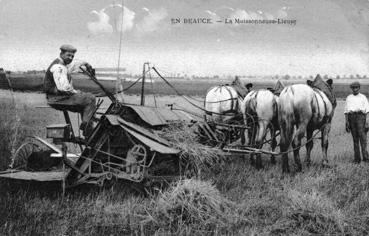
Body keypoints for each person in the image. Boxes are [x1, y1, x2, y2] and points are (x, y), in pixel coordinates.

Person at [44, 44, 96, 136]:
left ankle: (89, 132)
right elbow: (64, 88)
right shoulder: (58, 67)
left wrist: (86, 64)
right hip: (57, 98)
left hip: (59, 97)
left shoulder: (64, 64)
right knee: (90, 98)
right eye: (68, 55)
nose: (70, 58)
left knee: (85, 105)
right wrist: (76, 92)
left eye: (72, 56)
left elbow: (74, 64)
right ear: (61, 53)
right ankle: (87, 127)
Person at [344, 81, 369, 163]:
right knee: (355, 139)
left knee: (363, 139)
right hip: (351, 118)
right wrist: (347, 122)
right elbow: (346, 111)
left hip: (361, 117)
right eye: (353, 88)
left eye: (356, 87)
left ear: (359, 88)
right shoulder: (348, 98)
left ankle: (366, 158)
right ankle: (357, 159)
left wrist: (367, 121)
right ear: (351, 89)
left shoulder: (363, 97)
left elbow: (367, 111)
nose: (355, 89)